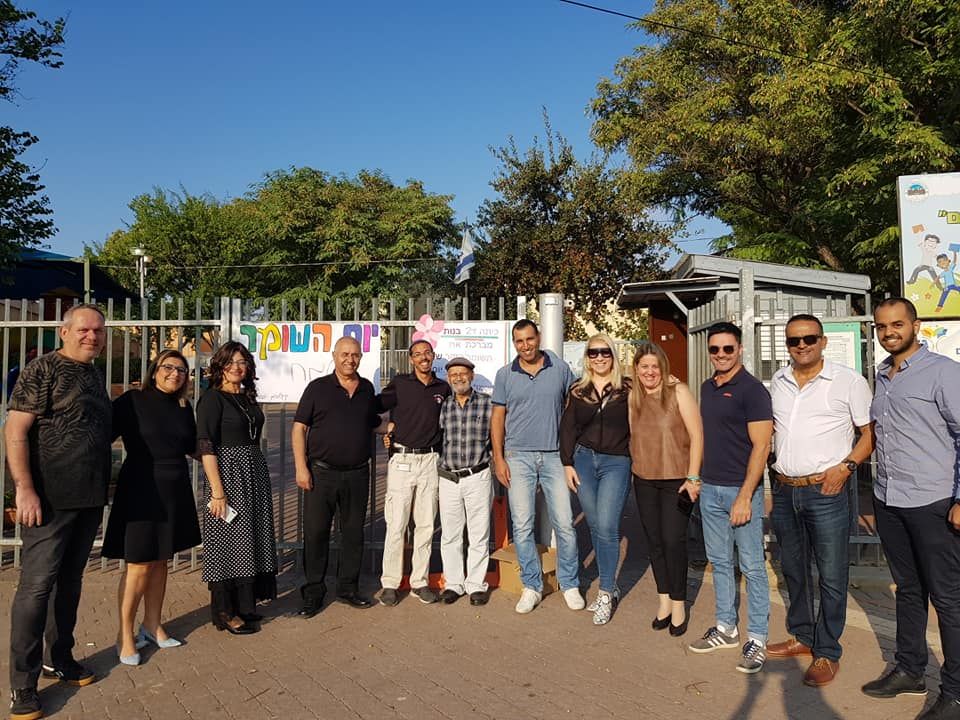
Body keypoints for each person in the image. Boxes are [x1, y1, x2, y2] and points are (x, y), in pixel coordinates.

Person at [5, 305, 110, 720]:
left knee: (69, 583)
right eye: (83, 329)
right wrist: (24, 489)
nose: (92, 336)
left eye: (98, 330)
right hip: (48, 500)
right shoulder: (42, 369)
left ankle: (59, 658)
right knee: (36, 588)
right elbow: (15, 431)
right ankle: (22, 685)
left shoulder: (94, 375)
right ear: (64, 331)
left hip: (88, 498)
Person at [861, 298, 960, 720]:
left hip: (933, 501)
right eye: (882, 327)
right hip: (890, 499)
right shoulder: (882, 376)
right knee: (908, 590)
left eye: (897, 324)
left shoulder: (943, 372)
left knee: (949, 598)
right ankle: (910, 670)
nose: (889, 333)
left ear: (915, 325)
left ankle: (955, 693)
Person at [766, 315, 874, 687]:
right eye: (794, 340)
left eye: (809, 338)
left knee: (831, 573)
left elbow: (869, 433)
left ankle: (827, 650)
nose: (802, 346)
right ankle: (802, 635)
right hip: (785, 489)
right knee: (793, 569)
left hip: (826, 492)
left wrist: (846, 468)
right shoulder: (779, 381)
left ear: (823, 341)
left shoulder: (848, 381)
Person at [102, 349, 202, 666]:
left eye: (182, 370)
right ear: (155, 370)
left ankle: (152, 625)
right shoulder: (132, 401)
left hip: (174, 488)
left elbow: (193, 447)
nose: (175, 374)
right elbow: (102, 435)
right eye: (169, 367)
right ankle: (125, 635)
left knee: (161, 560)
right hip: (141, 488)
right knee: (139, 563)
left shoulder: (184, 407)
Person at [688, 322, 773, 675]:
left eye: (727, 348)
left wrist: (745, 496)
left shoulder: (753, 391)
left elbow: (762, 446)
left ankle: (757, 638)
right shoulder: (707, 388)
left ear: (740, 349)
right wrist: (696, 478)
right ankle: (726, 627)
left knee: (752, 566)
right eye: (715, 349)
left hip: (741, 491)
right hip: (710, 489)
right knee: (720, 562)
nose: (721, 354)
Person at [491, 319, 582, 614]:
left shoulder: (559, 369)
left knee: (564, 523)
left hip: (555, 456)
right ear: (514, 343)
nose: (525, 346)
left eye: (530, 339)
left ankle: (569, 583)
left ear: (538, 337)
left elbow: (575, 403)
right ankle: (531, 585)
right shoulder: (505, 374)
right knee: (522, 524)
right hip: (518, 457)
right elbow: (498, 418)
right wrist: (499, 458)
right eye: (519, 341)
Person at [292, 337, 380, 618]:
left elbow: (373, 423)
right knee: (316, 533)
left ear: (360, 358)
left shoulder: (366, 388)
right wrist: (301, 467)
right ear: (334, 355)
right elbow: (299, 429)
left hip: (357, 473)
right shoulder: (317, 388)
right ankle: (313, 592)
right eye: (345, 354)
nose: (350, 360)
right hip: (322, 473)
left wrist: (398, 429)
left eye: (355, 355)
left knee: (353, 533)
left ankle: (348, 588)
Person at [196, 341, 277, 635]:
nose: (237, 367)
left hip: (253, 471)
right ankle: (225, 612)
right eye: (231, 362)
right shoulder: (212, 399)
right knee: (228, 541)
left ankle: (245, 605)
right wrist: (218, 491)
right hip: (228, 475)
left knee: (250, 537)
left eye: (242, 362)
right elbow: (206, 446)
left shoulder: (246, 397)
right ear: (220, 366)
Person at [628, 341, 703, 636]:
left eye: (655, 366)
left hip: (677, 480)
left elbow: (697, 435)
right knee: (655, 542)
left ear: (663, 368)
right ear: (636, 369)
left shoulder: (678, 391)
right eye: (644, 366)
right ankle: (664, 601)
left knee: (674, 541)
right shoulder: (632, 396)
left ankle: (679, 603)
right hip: (644, 479)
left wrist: (693, 476)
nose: (650, 372)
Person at [559, 334, 632, 625]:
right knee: (595, 525)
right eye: (593, 353)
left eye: (605, 352)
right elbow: (567, 427)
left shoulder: (628, 388)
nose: (599, 357)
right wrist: (567, 463)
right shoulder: (578, 390)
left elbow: (656, 391)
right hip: (584, 460)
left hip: (617, 462)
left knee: (608, 527)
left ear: (612, 356)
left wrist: (672, 381)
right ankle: (610, 584)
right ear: (587, 358)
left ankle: (605, 591)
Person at [377, 339, 450, 606]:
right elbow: (372, 408)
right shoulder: (400, 384)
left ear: (433, 356)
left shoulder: (443, 388)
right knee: (396, 524)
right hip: (402, 459)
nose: (423, 357)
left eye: (427, 353)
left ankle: (420, 581)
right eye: (417, 354)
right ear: (411, 359)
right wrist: (385, 428)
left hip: (430, 460)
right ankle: (390, 583)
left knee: (426, 525)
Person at [436, 357, 494, 606]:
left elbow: (498, 436)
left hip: (477, 475)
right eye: (453, 374)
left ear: (472, 376)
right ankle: (454, 584)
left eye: (463, 373)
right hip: (449, 477)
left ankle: (476, 585)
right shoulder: (444, 406)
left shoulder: (487, 404)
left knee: (479, 533)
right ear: (448, 378)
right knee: (450, 534)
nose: (458, 378)